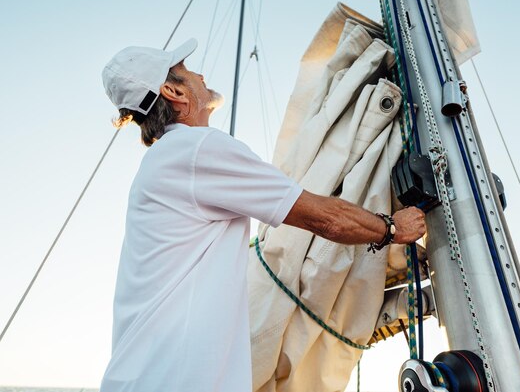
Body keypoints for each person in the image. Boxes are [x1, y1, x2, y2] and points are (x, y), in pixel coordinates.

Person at [100, 38, 426, 392]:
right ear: (172, 91)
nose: (199, 73)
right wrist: (392, 228)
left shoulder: (163, 163)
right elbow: (322, 218)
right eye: (185, 70)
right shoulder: (196, 149)